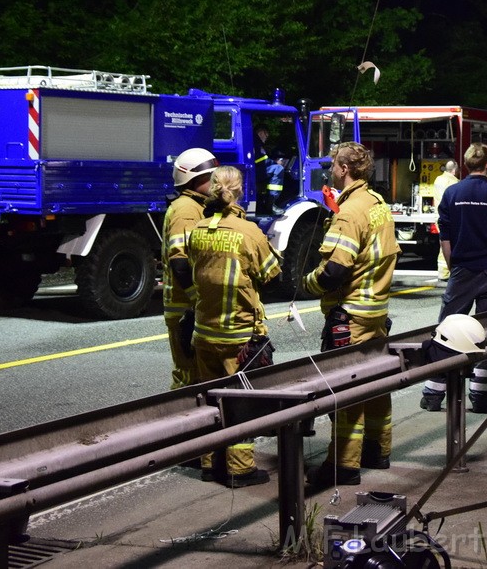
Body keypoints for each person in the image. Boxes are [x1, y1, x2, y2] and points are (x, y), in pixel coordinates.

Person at [303, 142, 400, 490]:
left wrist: (307, 284)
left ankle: (343, 465)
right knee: (376, 387)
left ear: (344, 169)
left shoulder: (350, 213)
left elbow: (334, 271)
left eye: (333, 164)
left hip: (351, 315)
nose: (330, 169)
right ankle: (377, 450)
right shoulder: (377, 205)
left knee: (345, 394)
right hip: (376, 311)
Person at [186, 165, 281, 487]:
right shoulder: (248, 231)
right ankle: (240, 470)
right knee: (239, 402)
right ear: (239, 190)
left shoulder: (197, 230)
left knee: (210, 399)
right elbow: (271, 273)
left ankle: (210, 465)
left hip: (204, 332)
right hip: (238, 336)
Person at [421, 143, 487, 415]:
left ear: (465, 165)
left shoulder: (452, 193)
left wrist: (454, 268)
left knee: (446, 330)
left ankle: (433, 393)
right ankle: (481, 395)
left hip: (463, 269)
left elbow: (445, 237)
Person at [162, 148, 217, 391]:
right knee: (188, 376)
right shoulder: (186, 209)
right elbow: (180, 261)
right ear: (193, 180)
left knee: (200, 374)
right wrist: (197, 299)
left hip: (191, 307)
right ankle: (181, 422)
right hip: (185, 307)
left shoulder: (198, 206)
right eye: (210, 177)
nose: (215, 182)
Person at [432, 160, 460, 279]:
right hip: (451, 216)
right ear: (454, 170)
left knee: (443, 242)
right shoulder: (454, 182)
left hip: (438, 215)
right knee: (450, 243)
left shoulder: (438, 179)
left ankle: (442, 272)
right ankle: (447, 272)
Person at [253, 125, 271, 212]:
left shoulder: (257, 142)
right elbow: (260, 159)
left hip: (257, 169)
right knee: (278, 169)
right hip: (257, 169)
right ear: (261, 132)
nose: (267, 138)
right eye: (266, 135)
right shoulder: (256, 143)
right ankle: (272, 201)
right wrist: (275, 163)